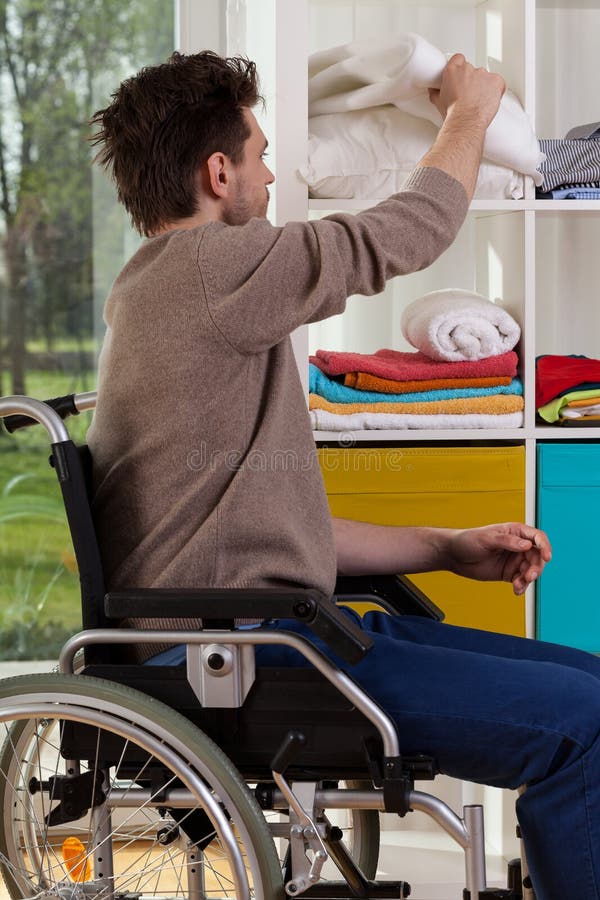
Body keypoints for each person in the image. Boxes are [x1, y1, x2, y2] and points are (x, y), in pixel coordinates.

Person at [87, 50, 600, 900]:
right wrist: (467, 112)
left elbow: (272, 532)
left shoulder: (166, 287)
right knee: (583, 725)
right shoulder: (211, 268)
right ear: (219, 173)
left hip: (272, 635)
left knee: (588, 684)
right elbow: (399, 234)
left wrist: (443, 545)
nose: (273, 171)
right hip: (252, 657)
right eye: (257, 153)